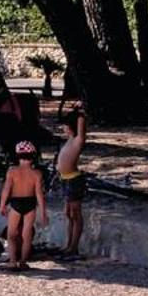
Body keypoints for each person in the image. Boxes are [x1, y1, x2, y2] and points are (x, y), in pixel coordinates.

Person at [0, 142, 46, 271]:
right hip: (30, 203)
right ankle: (23, 261)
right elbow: (39, 194)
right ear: (33, 156)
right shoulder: (36, 173)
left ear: (17, 155)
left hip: (16, 203)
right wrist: (43, 212)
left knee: (11, 234)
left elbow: (6, 190)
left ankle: (13, 261)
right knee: (27, 236)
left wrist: (2, 205)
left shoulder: (12, 172)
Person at [55, 106, 89, 256]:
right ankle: (68, 245)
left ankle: (74, 247)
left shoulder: (77, 140)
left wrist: (80, 113)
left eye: (65, 126)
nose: (63, 128)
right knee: (68, 214)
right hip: (65, 179)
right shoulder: (69, 140)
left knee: (75, 214)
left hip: (74, 180)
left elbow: (81, 125)